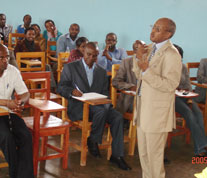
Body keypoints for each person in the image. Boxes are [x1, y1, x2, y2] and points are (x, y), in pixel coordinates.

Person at [57, 42, 131, 171]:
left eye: (95, 56)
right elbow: (61, 87)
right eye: (88, 54)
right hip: (80, 107)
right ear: (83, 53)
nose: (91, 58)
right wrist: (71, 91)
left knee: (118, 117)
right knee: (102, 111)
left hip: (99, 107)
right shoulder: (71, 68)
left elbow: (105, 93)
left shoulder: (101, 72)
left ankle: (116, 155)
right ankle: (93, 141)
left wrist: (106, 104)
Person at [132, 17, 182, 178]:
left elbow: (170, 85)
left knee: (155, 157)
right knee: (144, 154)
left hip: (156, 113)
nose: (153, 31)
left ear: (168, 34)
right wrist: (138, 57)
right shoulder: (151, 48)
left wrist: (147, 70)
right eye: (153, 27)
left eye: (158, 29)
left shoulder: (171, 54)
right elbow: (139, 74)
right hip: (142, 108)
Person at [173, 44, 207, 158]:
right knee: (189, 114)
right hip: (171, 98)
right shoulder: (165, 67)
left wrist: (188, 93)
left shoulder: (183, 67)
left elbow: (188, 85)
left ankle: (199, 149)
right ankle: (205, 146)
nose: (178, 61)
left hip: (184, 96)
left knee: (198, 114)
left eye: (180, 58)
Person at [0, 44, 34, 178]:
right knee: (7, 138)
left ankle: (25, 176)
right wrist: (6, 102)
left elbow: (25, 93)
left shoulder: (12, 71)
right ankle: (15, 174)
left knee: (25, 136)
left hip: (9, 113)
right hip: (3, 110)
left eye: (7, 57)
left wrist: (21, 102)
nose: (5, 61)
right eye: (1, 57)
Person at [112, 40, 145, 114]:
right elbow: (116, 82)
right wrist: (131, 87)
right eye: (141, 48)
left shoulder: (149, 62)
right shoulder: (126, 62)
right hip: (131, 99)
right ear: (135, 50)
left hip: (146, 97)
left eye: (145, 48)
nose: (144, 50)